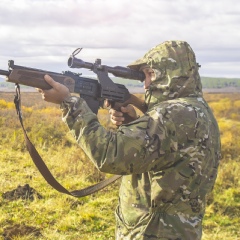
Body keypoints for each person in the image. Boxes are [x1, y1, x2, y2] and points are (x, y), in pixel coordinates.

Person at [38, 40, 221, 239]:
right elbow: (165, 152)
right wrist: (135, 123)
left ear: (172, 74)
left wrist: (69, 103)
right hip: (180, 229)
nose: (146, 84)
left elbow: (110, 154)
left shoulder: (170, 114)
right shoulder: (197, 109)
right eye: (144, 76)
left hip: (152, 231)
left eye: (151, 74)